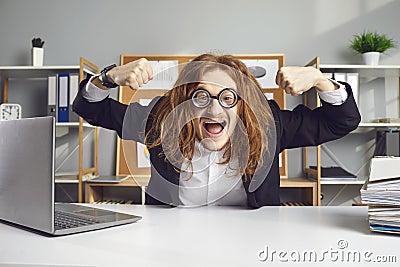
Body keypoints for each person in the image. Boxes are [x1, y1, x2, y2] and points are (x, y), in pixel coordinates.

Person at [73, 54, 360, 208]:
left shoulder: (269, 124)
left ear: (243, 104)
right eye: (202, 96)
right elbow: (91, 108)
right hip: (170, 241)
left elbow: (341, 121)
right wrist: (107, 77)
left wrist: (321, 81)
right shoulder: (161, 120)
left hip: (250, 242)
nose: (214, 110)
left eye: (227, 97)